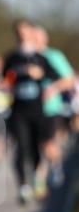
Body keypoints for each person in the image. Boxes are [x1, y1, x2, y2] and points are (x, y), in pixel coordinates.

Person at [3, 19, 59, 203]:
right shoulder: (12, 58)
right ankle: (23, 186)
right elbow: (5, 80)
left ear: (31, 33)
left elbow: (55, 76)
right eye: (19, 31)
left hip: (37, 109)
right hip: (18, 109)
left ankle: (37, 179)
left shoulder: (41, 57)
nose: (22, 34)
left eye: (25, 31)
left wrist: (41, 75)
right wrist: (7, 84)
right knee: (21, 146)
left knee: (35, 148)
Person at [33, 23, 75, 187]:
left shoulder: (54, 56)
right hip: (30, 109)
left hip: (50, 108)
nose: (35, 40)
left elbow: (69, 79)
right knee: (34, 145)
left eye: (38, 37)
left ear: (45, 38)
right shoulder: (27, 57)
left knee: (48, 143)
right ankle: (39, 178)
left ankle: (55, 168)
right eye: (32, 37)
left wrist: (53, 88)